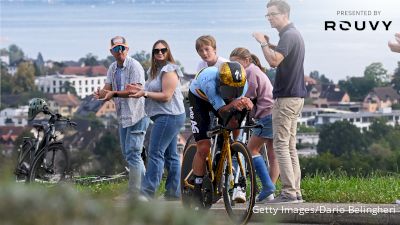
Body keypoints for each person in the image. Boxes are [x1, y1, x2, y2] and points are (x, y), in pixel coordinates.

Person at [252, 0, 306, 204]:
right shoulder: (292, 35)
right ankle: (295, 191)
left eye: (272, 14)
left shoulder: (289, 35)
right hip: (296, 97)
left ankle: (289, 193)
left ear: (284, 14)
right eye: (268, 15)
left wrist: (263, 43)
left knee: (281, 145)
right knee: (290, 146)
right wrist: (271, 44)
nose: (269, 18)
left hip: (286, 98)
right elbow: (283, 53)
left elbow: (273, 61)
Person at [188, 61, 253, 207]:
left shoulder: (243, 84)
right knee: (204, 147)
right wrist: (237, 103)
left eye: (237, 90)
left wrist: (246, 105)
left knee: (235, 122)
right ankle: (197, 185)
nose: (234, 93)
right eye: (230, 90)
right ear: (221, 83)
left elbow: (237, 107)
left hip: (222, 98)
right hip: (200, 100)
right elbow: (222, 110)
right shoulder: (210, 82)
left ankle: (228, 151)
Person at [127, 40, 185, 200]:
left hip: (169, 117)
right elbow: (149, 89)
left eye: (163, 50)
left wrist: (144, 94)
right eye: (156, 51)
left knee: (155, 153)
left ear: (168, 52)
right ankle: (174, 193)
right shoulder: (154, 70)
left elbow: (166, 96)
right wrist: (139, 89)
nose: (159, 53)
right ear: (152, 54)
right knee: (171, 155)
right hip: (165, 117)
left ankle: (147, 193)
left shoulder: (169, 70)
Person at [93, 36, 149, 198]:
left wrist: (114, 93)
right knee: (128, 154)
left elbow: (135, 91)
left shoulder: (135, 66)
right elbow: (108, 88)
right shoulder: (112, 68)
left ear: (127, 49)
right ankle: (146, 188)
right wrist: (101, 93)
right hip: (123, 117)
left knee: (133, 153)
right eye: (116, 49)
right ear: (111, 51)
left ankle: (135, 193)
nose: (120, 52)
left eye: (122, 48)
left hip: (138, 115)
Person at [230, 47, 278, 203]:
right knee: (272, 153)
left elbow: (246, 100)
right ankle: (269, 192)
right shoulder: (255, 70)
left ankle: (268, 187)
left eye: (237, 63)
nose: (235, 67)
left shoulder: (249, 73)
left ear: (246, 61)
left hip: (266, 116)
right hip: (273, 113)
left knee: (251, 150)